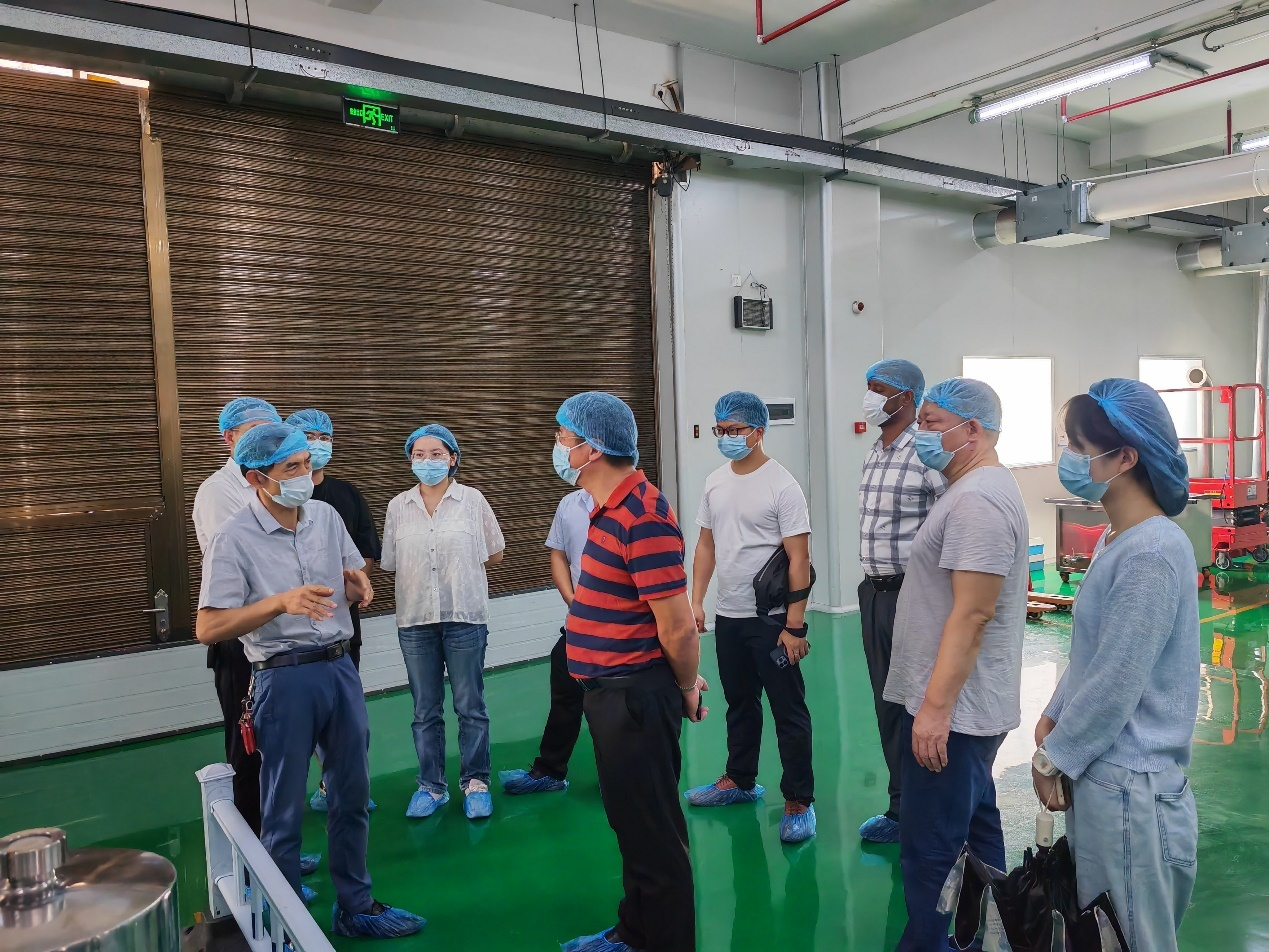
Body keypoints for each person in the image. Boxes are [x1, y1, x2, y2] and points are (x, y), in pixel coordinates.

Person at [197, 423, 425, 938]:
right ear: (257, 478)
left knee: (352, 792)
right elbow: (208, 627)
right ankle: (283, 920)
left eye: (306, 463)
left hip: (339, 667)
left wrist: (358, 585)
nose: (305, 474)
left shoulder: (325, 517)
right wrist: (279, 603)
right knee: (282, 807)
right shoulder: (233, 538)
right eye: (291, 468)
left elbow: (351, 574)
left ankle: (356, 907)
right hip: (284, 677)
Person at [1033, 379, 1199, 952]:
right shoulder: (1118, 538)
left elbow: (1117, 680)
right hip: (1106, 777)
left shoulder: (1152, 552)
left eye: (1078, 447)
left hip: (1131, 788)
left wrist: (1053, 757)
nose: (1068, 459)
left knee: (1129, 940)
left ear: (1126, 457)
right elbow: (1097, 653)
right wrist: (1055, 713)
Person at [554, 391, 706, 952]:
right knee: (632, 826)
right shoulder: (607, 509)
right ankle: (635, 932)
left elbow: (679, 627)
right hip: (612, 694)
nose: (558, 447)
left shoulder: (643, 517)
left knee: (655, 837)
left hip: (634, 698)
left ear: (591, 449)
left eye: (563, 438)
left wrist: (685, 685)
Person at [881, 377, 1028, 952]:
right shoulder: (968, 489)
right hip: (960, 712)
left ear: (973, 429)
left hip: (956, 715)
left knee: (931, 851)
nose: (920, 433)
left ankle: (931, 944)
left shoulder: (977, 501)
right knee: (975, 832)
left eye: (932, 423)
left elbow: (973, 613)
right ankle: (988, 940)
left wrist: (935, 709)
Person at [685, 391, 816, 844]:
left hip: (773, 619)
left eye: (734, 430)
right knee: (740, 703)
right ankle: (740, 780)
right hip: (730, 617)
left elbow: (799, 559)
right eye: (720, 430)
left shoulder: (783, 486)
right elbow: (706, 545)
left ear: (758, 431)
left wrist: (794, 626)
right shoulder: (715, 482)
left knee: (788, 711)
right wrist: (697, 600)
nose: (726, 437)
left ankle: (799, 800)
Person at [382, 424, 505, 821]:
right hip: (416, 619)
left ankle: (476, 782)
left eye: (436, 454)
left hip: (465, 616)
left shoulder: (472, 500)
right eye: (419, 454)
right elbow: (392, 562)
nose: (427, 461)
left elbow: (495, 553)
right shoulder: (398, 506)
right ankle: (431, 786)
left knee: (470, 705)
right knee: (425, 709)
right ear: (410, 460)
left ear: (453, 458)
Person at [856, 360, 947, 845]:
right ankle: (900, 806)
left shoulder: (925, 453)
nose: (869, 397)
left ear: (907, 397)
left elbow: (951, 525)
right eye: (868, 388)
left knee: (919, 703)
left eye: (879, 389)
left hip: (914, 595)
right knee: (887, 703)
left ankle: (929, 808)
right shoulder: (877, 451)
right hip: (874, 593)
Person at [192, 396, 281, 840]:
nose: (266, 439)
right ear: (229, 437)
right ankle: (252, 857)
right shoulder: (218, 492)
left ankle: (276, 845)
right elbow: (243, 561)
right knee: (247, 746)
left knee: (274, 744)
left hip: (275, 632)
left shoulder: (273, 483)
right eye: (254, 431)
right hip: (237, 634)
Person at [283, 409, 380, 815]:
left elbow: (364, 554)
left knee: (346, 714)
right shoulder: (277, 505)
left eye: (325, 437)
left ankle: (343, 783)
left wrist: (351, 589)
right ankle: (316, 784)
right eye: (309, 437)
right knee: (299, 720)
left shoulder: (345, 496)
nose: (318, 445)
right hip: (289, 636)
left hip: (341, 626)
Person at [498, 485, 593, 795]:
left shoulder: (636, 504)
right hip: (578, 625)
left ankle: (624, 776)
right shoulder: (570, 504)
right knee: (565, 694)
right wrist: (573, 602)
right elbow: (558, 555)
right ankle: (551, 771)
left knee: (615, 708)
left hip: (621, 631)